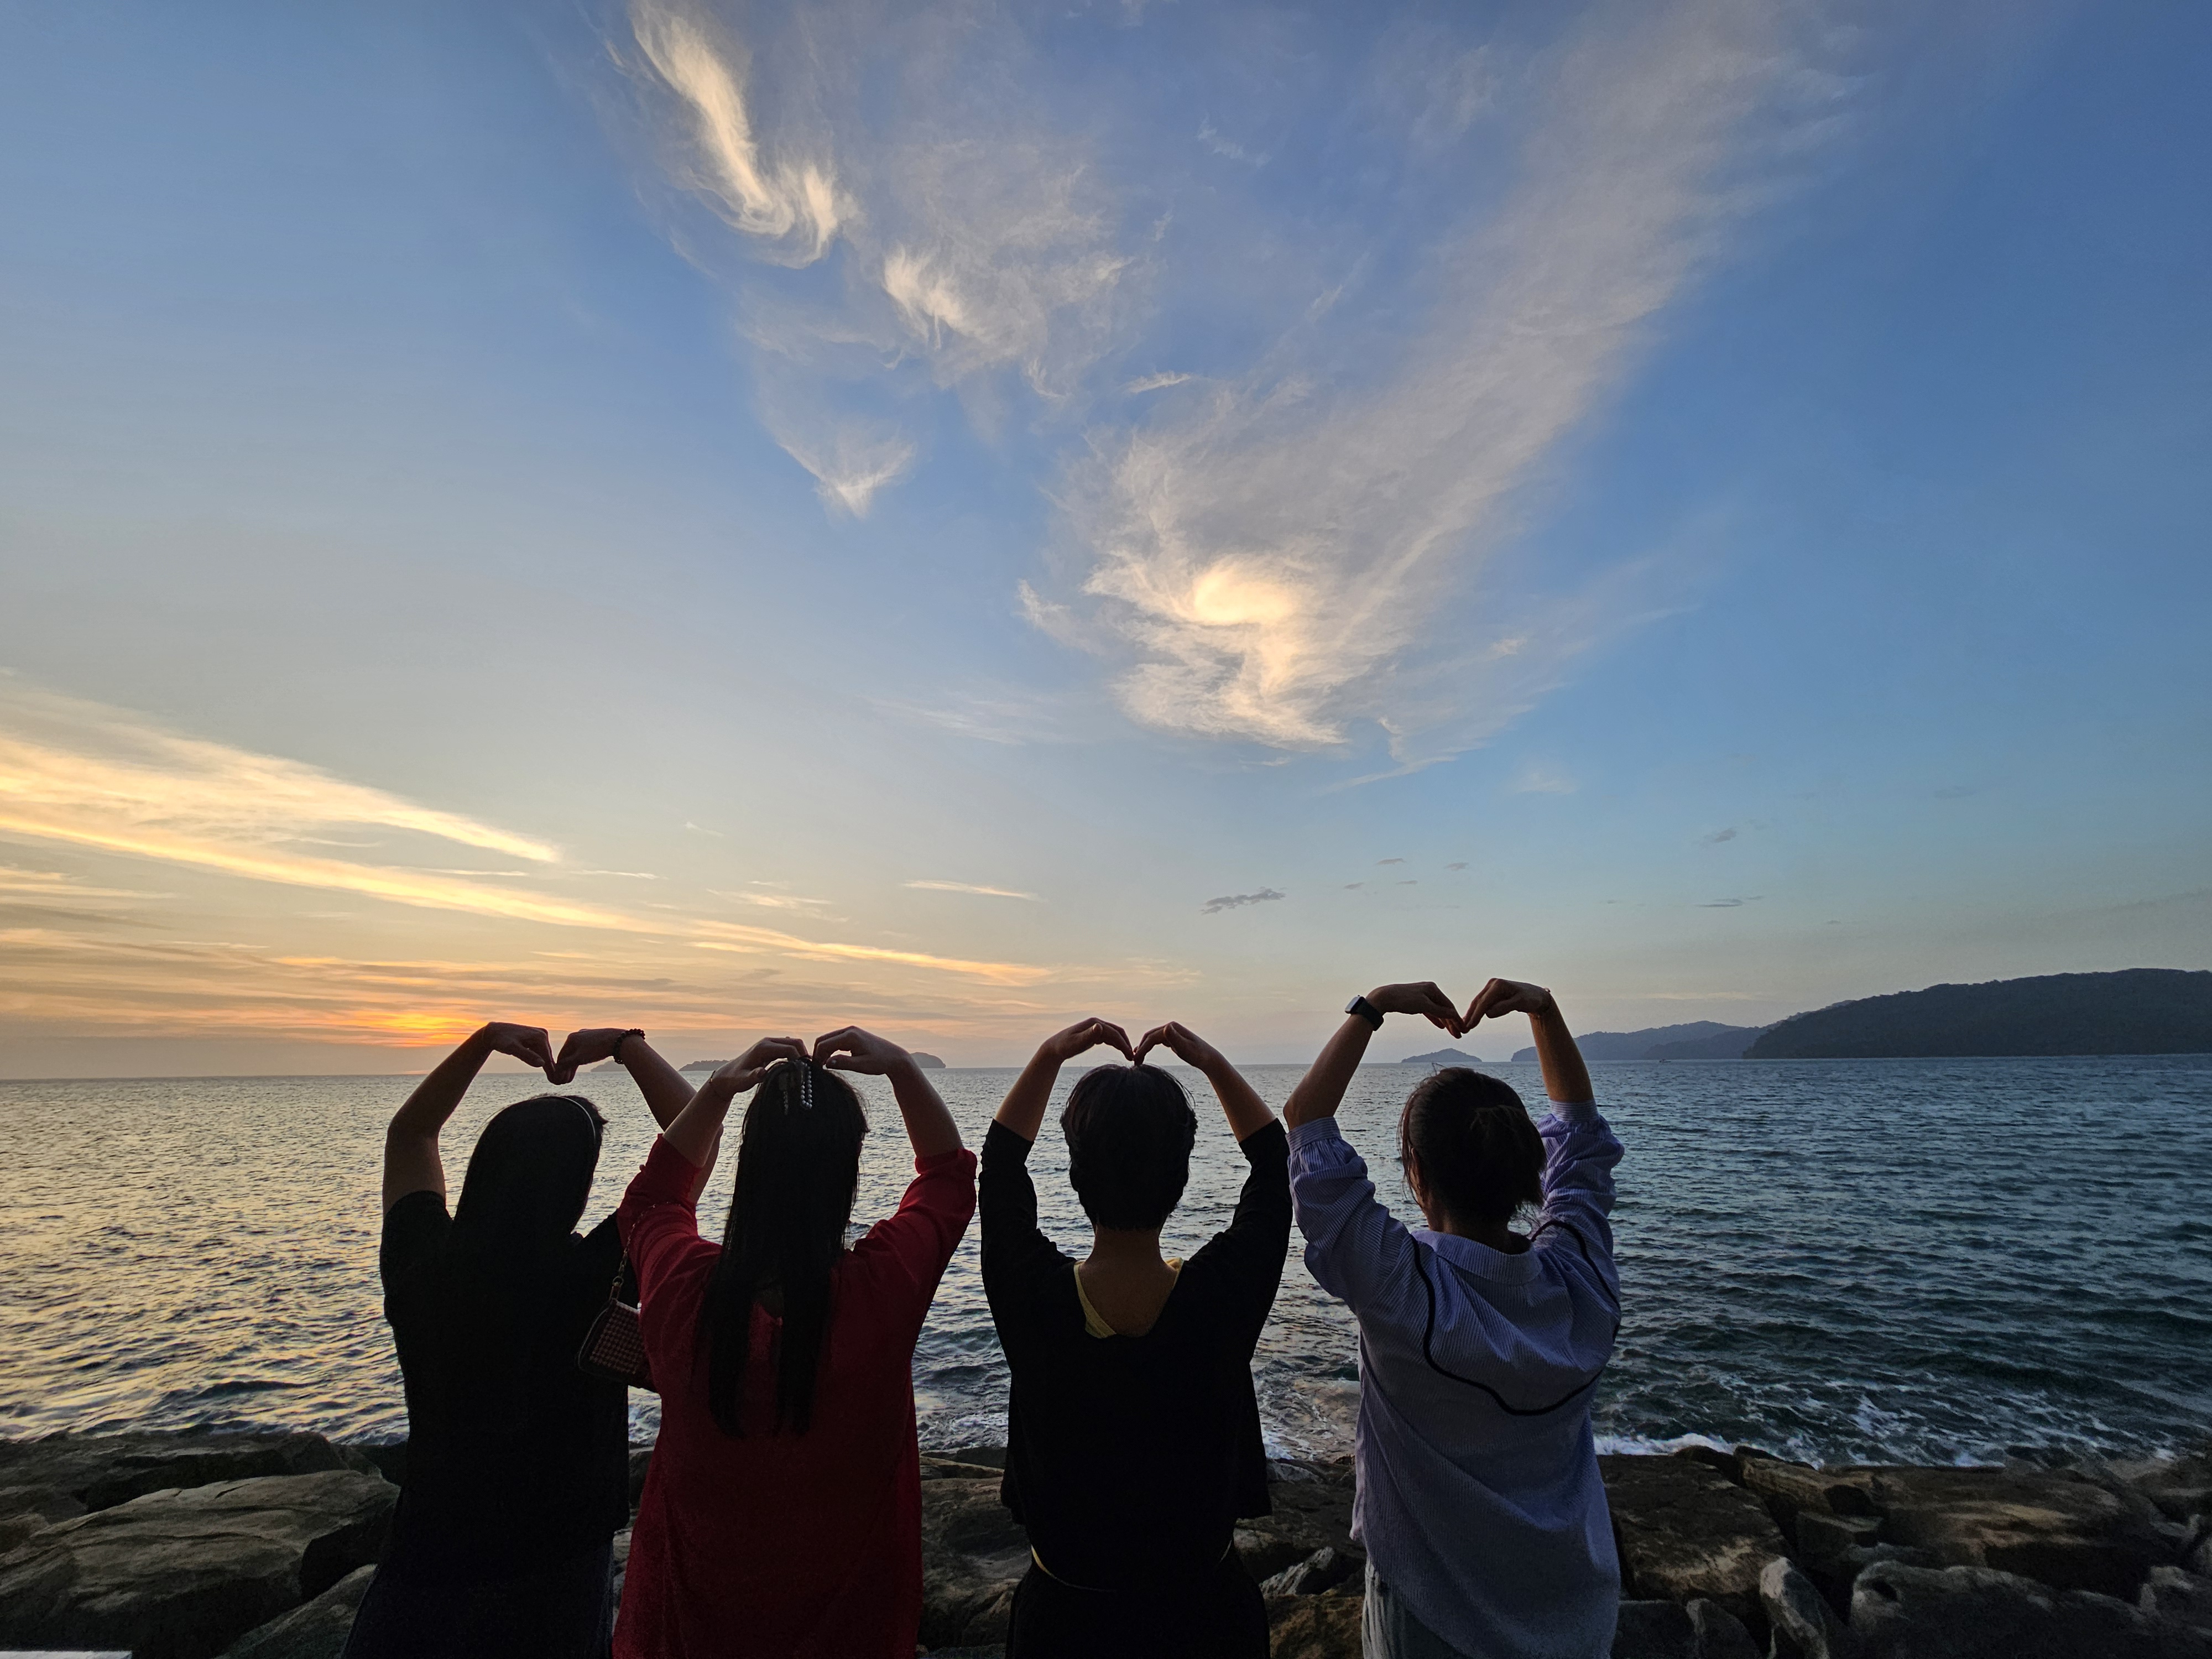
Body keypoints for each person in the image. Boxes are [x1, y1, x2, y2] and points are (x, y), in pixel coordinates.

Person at [1284, 978, 1624, 1659]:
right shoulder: (1580, 1280)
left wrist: (1374, 1005)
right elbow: (1581, 1138)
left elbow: (1304, 1120)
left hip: (1431, 1614)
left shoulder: (1402, 1288)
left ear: (1415, 1172)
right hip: (1575, 1605)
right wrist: (1545, 1010)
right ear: (1527, 1168)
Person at [613, 1025, 974, 1659]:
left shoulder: (682, 1292)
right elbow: (948, 1180)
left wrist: (717, 1092)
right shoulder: (878, 1294)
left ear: (748, 1164)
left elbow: (653, 1200)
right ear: (848, 1172)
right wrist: (902, 1069)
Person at [345, 1021, 696, 1659]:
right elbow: (697, 1136)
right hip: (558, 1569)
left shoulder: (422, 1262)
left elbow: (411, 1133)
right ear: (575, 1187)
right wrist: (628, 1046)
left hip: (425, 1560)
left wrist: (482, 1043)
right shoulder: (596, 1274)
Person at [980, 1016, 1290, 1658]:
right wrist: (1209, 1061)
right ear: (1180, 1178)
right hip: (1206, 1618)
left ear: (1075, 1176)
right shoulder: (1220, 1298)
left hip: (1061, 1623)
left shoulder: (1033, 1298)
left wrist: (1048, 1054)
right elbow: (1272, 1160)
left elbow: (1001, 1164)